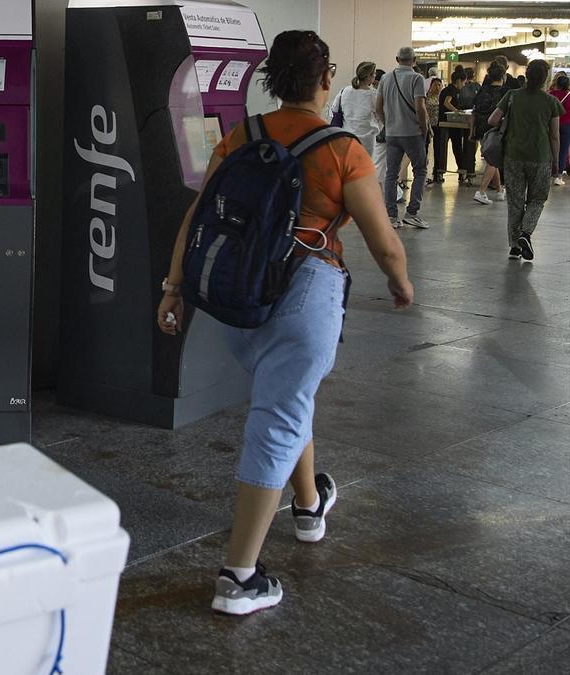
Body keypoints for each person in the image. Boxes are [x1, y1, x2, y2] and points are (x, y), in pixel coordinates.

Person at [157, 30, 413, 616]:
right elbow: (384, 241)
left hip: (239, 297)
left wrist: (174, 288)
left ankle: (307, 504)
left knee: (285, 396)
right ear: (326, 81)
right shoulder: (343, 148)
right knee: (279, 414)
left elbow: (196, 219)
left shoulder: (240, 136)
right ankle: (238, 576)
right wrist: (401, 284)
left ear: (270, 79)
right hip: (305, 293)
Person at [489, 59, 562, 261]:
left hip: (513, 156)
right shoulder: (551, 102)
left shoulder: (512, 96)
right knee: (537, 199)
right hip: (540, 157)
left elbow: (492, 120)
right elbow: (555, 135)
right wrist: (556, 161)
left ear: (527, 75)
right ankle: (525, 234)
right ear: (545, 78)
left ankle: (514, 247)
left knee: (515, 201)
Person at [376, 46, 430, 228]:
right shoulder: (417, 78)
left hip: (392, 133)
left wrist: (387, 124)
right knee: (420, 170)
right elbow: (420, 107)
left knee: (391, 174)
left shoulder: (385, 78)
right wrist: (423, 127)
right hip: (412, 133)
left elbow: (377, 108)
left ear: (397, 59)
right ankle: (412, 212)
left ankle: (391, 216)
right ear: (414, 60)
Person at [472, 65, 508, 205]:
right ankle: (480, 191)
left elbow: (474, 112)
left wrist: (472, 132)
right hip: (496, 130)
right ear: (503, 76)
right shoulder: (505, 92)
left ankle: (499, 191)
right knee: (493, 160)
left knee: (491, 158)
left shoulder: (481, 91)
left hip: (481, 129)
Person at [338, 61, 381, 156]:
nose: (375, 76)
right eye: (374, 74)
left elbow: (334, 110)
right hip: (367, 139)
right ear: (368, 76)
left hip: (347, 137)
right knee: (365, 168)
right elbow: (379, 115)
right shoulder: (374, 95)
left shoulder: (344, 91)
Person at [439, 72, 472, 184]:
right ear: (458, 80)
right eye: (463, 82)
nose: (463, 85)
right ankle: (462, 171)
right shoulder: (451, 90)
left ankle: (438, 172)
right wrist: (456, 111)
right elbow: (446, 103)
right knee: (457, 147)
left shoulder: (448, 89)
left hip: (444, 122)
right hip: (450, 122)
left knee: (442, 148)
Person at [549, 73, 570, 186]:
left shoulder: (550, 94)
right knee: (563, 150)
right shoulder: (569, 96)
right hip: (566, 125)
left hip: (551, 124)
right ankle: (558, 176)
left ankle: (548, 172)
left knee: (550, 148)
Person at [425, 78, 444, 184]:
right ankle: (424, 173)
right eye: (435, 85)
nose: (437, 87)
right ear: (431, 86)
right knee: (425, 149)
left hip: (438, 126)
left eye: (439, 85)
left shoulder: (441, 97)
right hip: (427, 126)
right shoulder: (426, 97)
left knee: (438, 149)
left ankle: (437, 172)